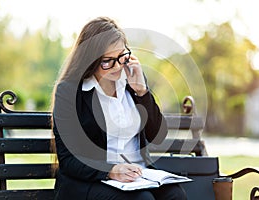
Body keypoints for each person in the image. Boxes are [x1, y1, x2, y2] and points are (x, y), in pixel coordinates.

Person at [51, 16, 187, 200]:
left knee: (175, 195)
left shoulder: (133, 83)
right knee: (142, 199)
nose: (117, 66)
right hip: (91, 181)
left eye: (122, 57)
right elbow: (69, 160)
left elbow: (157, 135)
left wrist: (142, 92)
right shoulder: (69, 92)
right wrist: (111, 170)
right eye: (107, 61)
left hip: (138, 177)